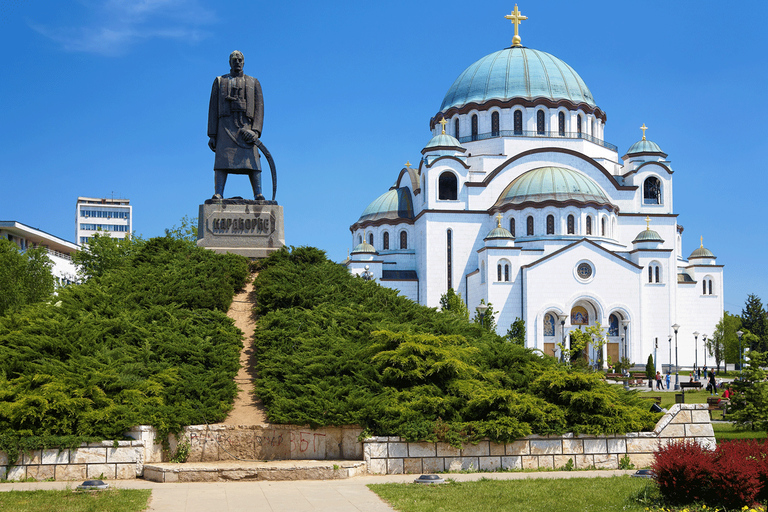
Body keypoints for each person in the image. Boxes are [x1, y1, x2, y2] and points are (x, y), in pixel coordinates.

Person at [208, 50, 265, 200]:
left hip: (246, 128)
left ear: (244, 62)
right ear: (229, 62)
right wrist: (212, 134)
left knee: (254, 162)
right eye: (234, 60)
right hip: (225, 127)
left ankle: (258, 193)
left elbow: (259, 109)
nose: (237, 62)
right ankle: (218, 192)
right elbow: (213, 108)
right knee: (222, 160)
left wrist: (256, 131)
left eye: (240, 60)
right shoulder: (220, 81)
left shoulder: (253, 82)